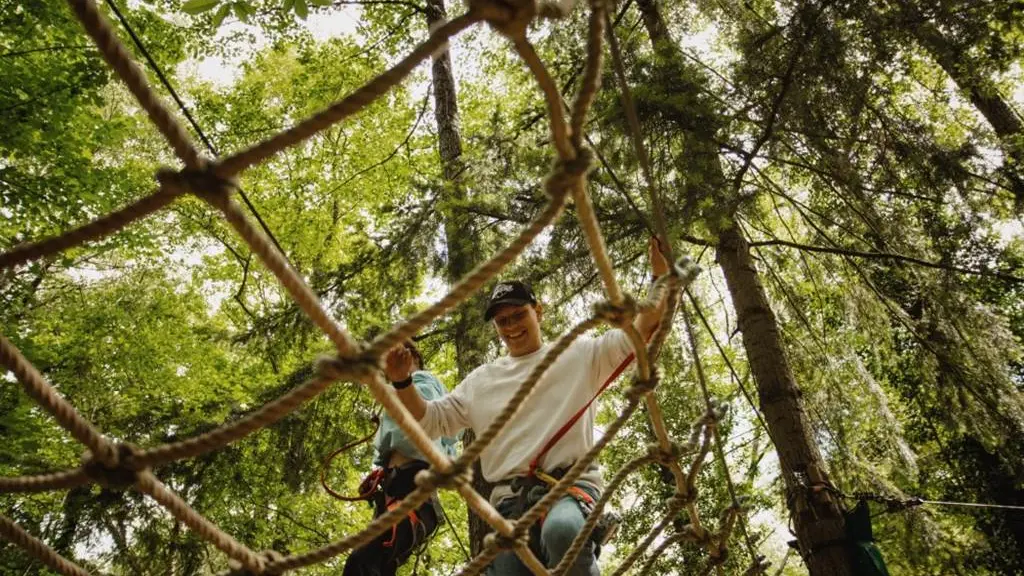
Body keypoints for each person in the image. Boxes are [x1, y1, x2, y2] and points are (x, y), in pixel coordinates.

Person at [385, 237, 671, 576]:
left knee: (563, 531)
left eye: (519, 315)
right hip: (510, 502)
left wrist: (660, 277)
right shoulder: (482, 381)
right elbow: (430, 421)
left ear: (538, 311)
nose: (512, 327)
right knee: (508, 568)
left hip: (569, 486)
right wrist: (402, 382)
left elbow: (642, 331)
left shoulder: (577, 355)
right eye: (502, 322)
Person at [343, 340, 459, 576]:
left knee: (362, 563)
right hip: (396, 492)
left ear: (411, 356)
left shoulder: (423, 381)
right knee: (378, 566)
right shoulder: (398, 393)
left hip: (413, 491)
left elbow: (430, 427)